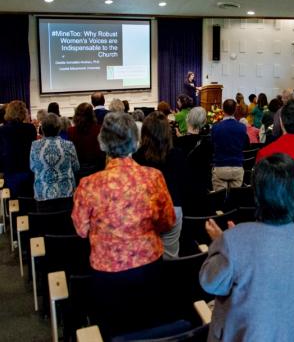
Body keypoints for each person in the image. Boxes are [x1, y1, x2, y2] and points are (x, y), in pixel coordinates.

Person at [72, 112, 175, 336]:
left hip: (107, 275)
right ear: (135, 142)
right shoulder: (154, 177)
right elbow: (168, 222)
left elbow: (81, 230)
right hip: (149, 268)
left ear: (103, 144)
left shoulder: (88, 185)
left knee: (113, 331)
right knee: (148, 328)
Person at [200, 153, 294, 342]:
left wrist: (220, 242)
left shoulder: (235, 240)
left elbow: (210, 282)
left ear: (258, 194)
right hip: (292, 333)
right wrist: (231, 242)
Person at [133, 111, 186, 259]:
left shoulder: (137, 157)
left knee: (146, 256)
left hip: (146, 210)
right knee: (170, 257)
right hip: (173, 207)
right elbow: (184, 184)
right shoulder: (178, 155)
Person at [30, 113, 79, 212]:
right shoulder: (68, 145)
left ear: (42, 128)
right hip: (66, 193)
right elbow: (76, 167)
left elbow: (32, 167)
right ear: (59, 128)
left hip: (42, 194)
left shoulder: (35, 146)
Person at [174, 107, 214, 215]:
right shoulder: (208, 144)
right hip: (202, 192)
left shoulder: (177, 143)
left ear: (188, 119)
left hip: (182, 194)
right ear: (204, 122)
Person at [0, 100, 36, 197]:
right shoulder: (30, 128)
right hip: (27, 168)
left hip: (11, 169)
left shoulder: (3, 130)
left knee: (13, 200)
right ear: (23, 112)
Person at [211, 99, 249, 191]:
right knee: (234, 203)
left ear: (223, 110)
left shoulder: (216, 127)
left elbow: (212, 146)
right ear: (235, 110)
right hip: (237, 167)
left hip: (220, 166)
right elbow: (246, 145)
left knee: (220, 201)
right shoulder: (242, 127)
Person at [68, 103, 105, 179]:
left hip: (78, 172)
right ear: (92, 114)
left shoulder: (70, 131)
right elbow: (102, 152)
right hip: (96, 171)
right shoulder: (99, 129)